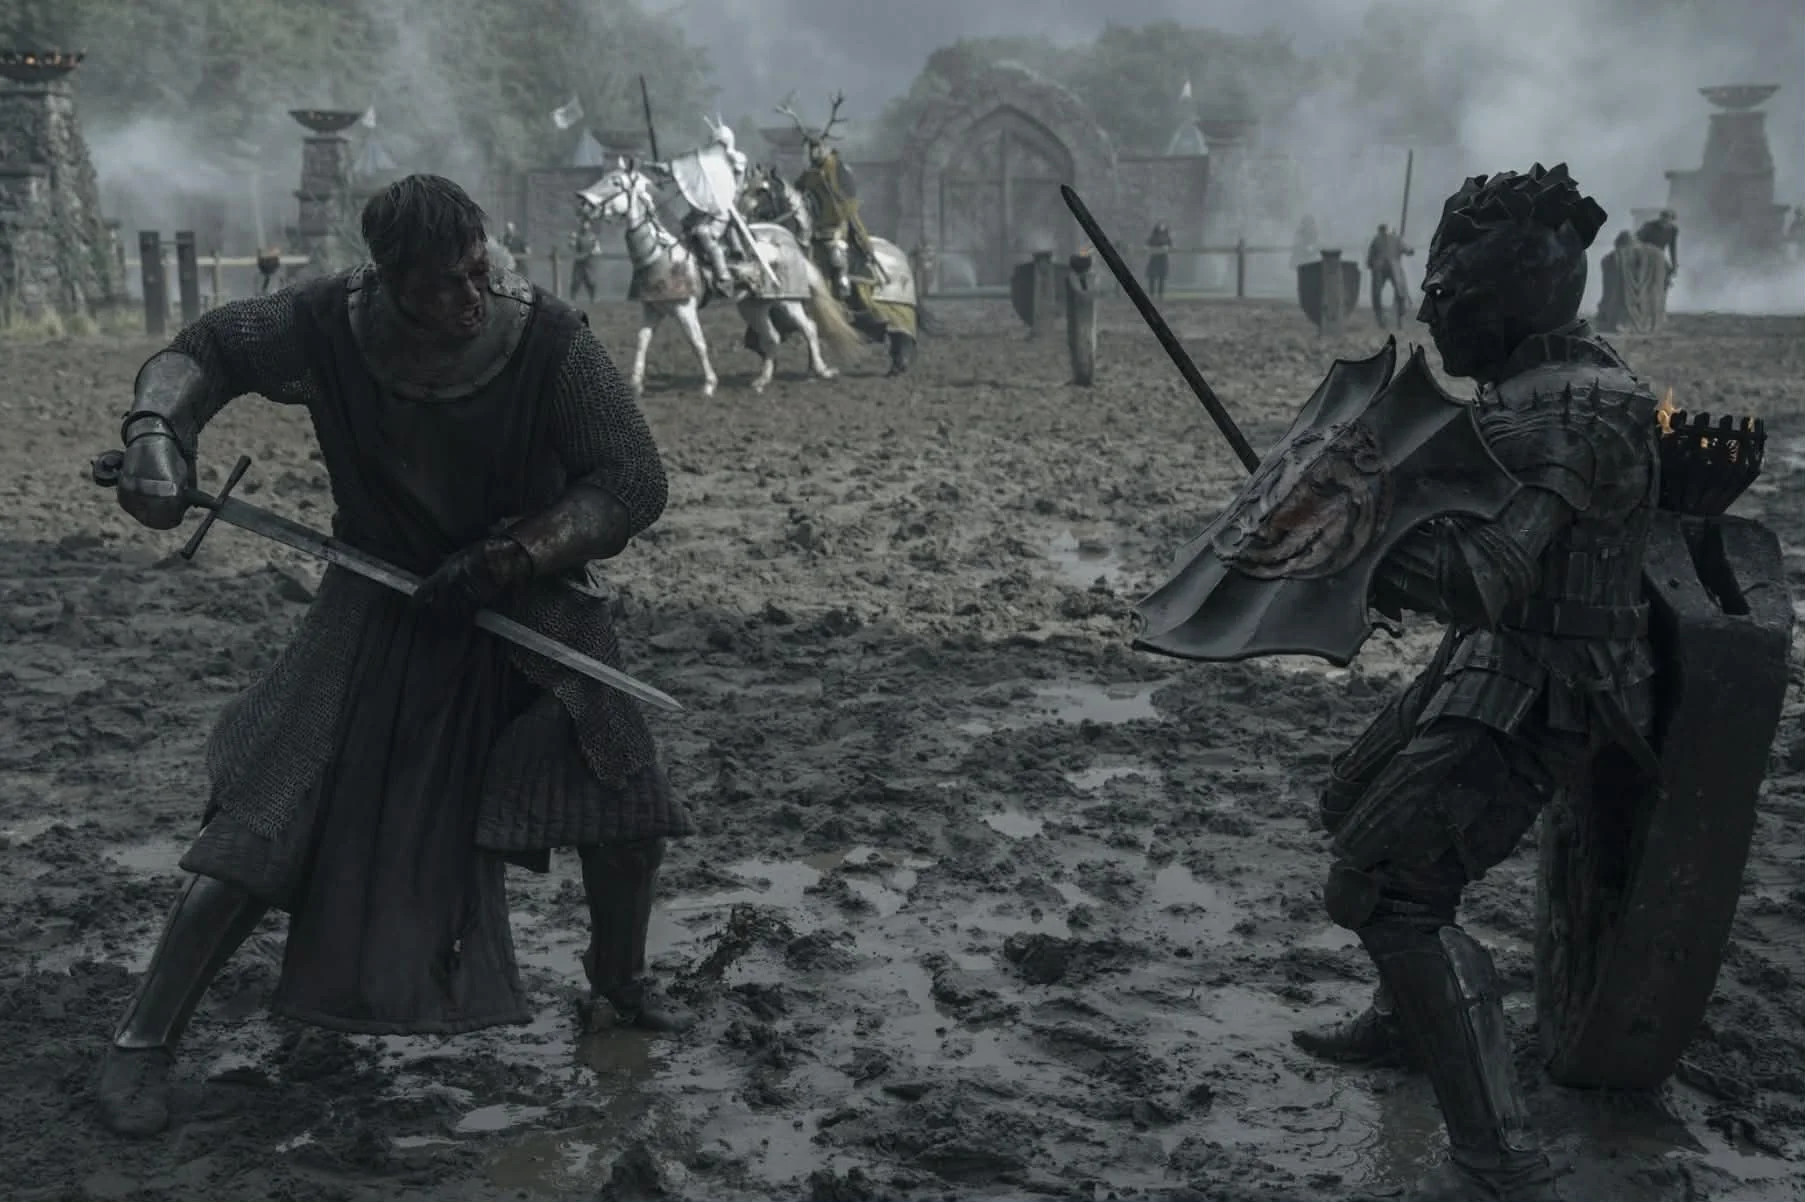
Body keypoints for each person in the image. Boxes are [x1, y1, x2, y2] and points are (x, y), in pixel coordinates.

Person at [96, 174, 694, 1139]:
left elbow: (631, 480)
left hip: (527, 596)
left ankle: (618, 984)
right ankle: (141, 1043)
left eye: (477, 272)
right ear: (387, 278)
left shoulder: (546, 340)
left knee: (623, 799)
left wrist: (513, 554)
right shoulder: (324, 324)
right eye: (442, 284)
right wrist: (156, 434)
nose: (469, 297)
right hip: (376, 597)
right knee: (264, 819)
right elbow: (202, 352)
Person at [1292, 163, 1654, 1200]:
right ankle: (1404, 1025)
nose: (1428, 312)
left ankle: (1498, 1155)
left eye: (1445, 293)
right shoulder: (1559, 378)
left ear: (1504, 299)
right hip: (1499, 657)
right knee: (1351, 800)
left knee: (1385, 890)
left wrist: (1344, 541)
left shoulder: (1568, 411)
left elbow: (1485, 576)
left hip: (1548, 680)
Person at [795, 135, 869, 300]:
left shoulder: (838, 169)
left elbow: (848, 197)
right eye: (811, 149)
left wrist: (828, 182)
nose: (814, 153)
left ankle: (843, 283)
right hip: (813, 224)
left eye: (817, 148)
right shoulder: (809, 175)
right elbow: (798, 191)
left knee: (836, 253)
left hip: (837, 223)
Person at [1365, 222, 1414, 329]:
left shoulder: (1382, 239)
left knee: (1397, 293)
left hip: (1386, 268)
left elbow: (1369, 259)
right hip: (1389, 268)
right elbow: (1409, 251)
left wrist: (1371, 264)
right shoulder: (1393, 239)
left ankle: (1392, 320)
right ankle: (1392, 320)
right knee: (1396, 293)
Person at [1594, 229, 1634, 332]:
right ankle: (1612, 324)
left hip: (1616, 286)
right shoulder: (1614, 257)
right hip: (1616, 286)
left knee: (1612, 301)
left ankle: (1611, 324)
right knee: (1614, 302)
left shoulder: (1612, 257)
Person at [568, 205, 604, 302]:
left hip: (589, 262)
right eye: (583, 223)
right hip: (579, 261)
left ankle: (593, 298)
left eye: (587, 223)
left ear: (589, 225)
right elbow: (571, 246)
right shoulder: (576, 235)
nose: (585, 225)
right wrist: (572, 241)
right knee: (576, 281)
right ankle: (572, 299)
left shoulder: (592, 237)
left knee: (591, 281)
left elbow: (597, 250)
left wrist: (594, 251)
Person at [1635, 208, 1678, 279]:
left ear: (1672, 220)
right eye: (1663, 217)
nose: (1665, 220)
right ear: (1660, 217)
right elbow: (1637, 238)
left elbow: (1673, 249)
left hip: (1659, 256)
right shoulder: (1649, 226)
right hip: (1644, 252)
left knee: (1666, 273)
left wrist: (1674, 265)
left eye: (1668, 218)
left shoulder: (1673, 231)